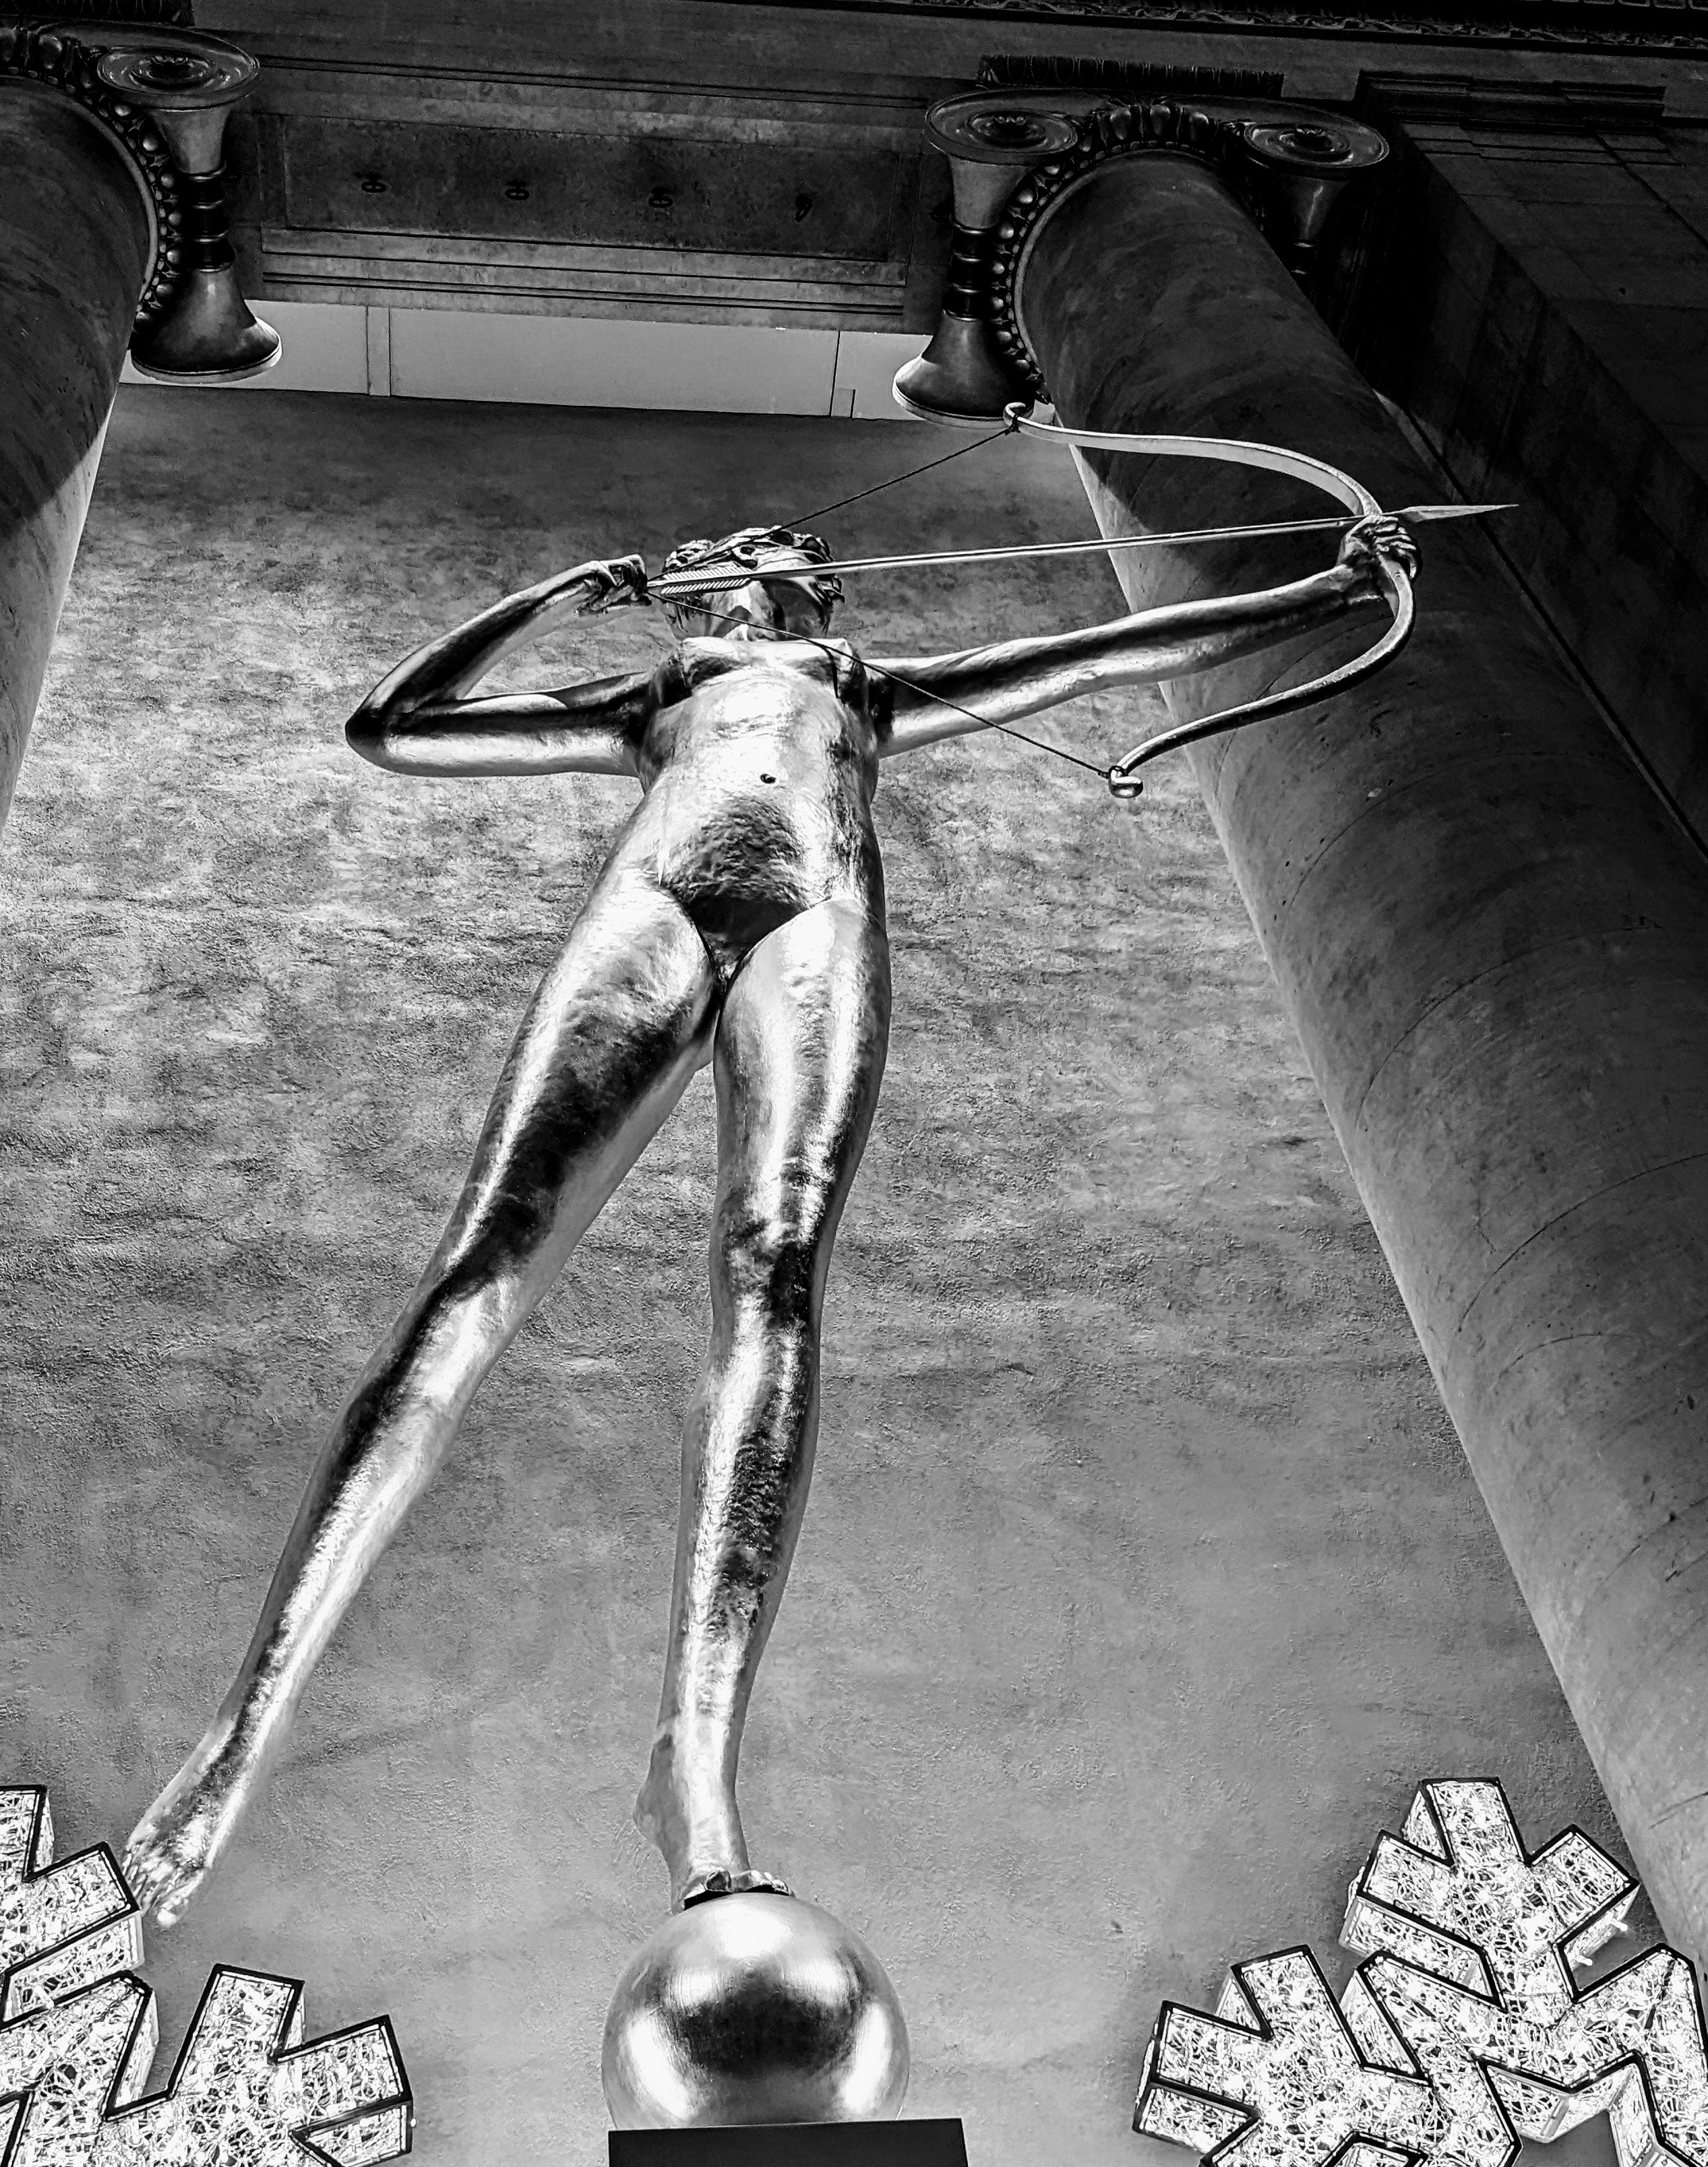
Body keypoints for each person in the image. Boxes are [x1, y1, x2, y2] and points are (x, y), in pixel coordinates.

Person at [125, 511, 1415, 1925]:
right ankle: (242, 1731)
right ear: (716, 580)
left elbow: (1105, 654)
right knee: (477, 1272)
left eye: (808, 547)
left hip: (813, 913)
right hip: (656, 907)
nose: (796, 549)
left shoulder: (860, 687)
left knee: (777, 1276)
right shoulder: (658, 692)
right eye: (765, 541)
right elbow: (393, 726)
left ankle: (697, 1765)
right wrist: (555, 593)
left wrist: (1331, 587)